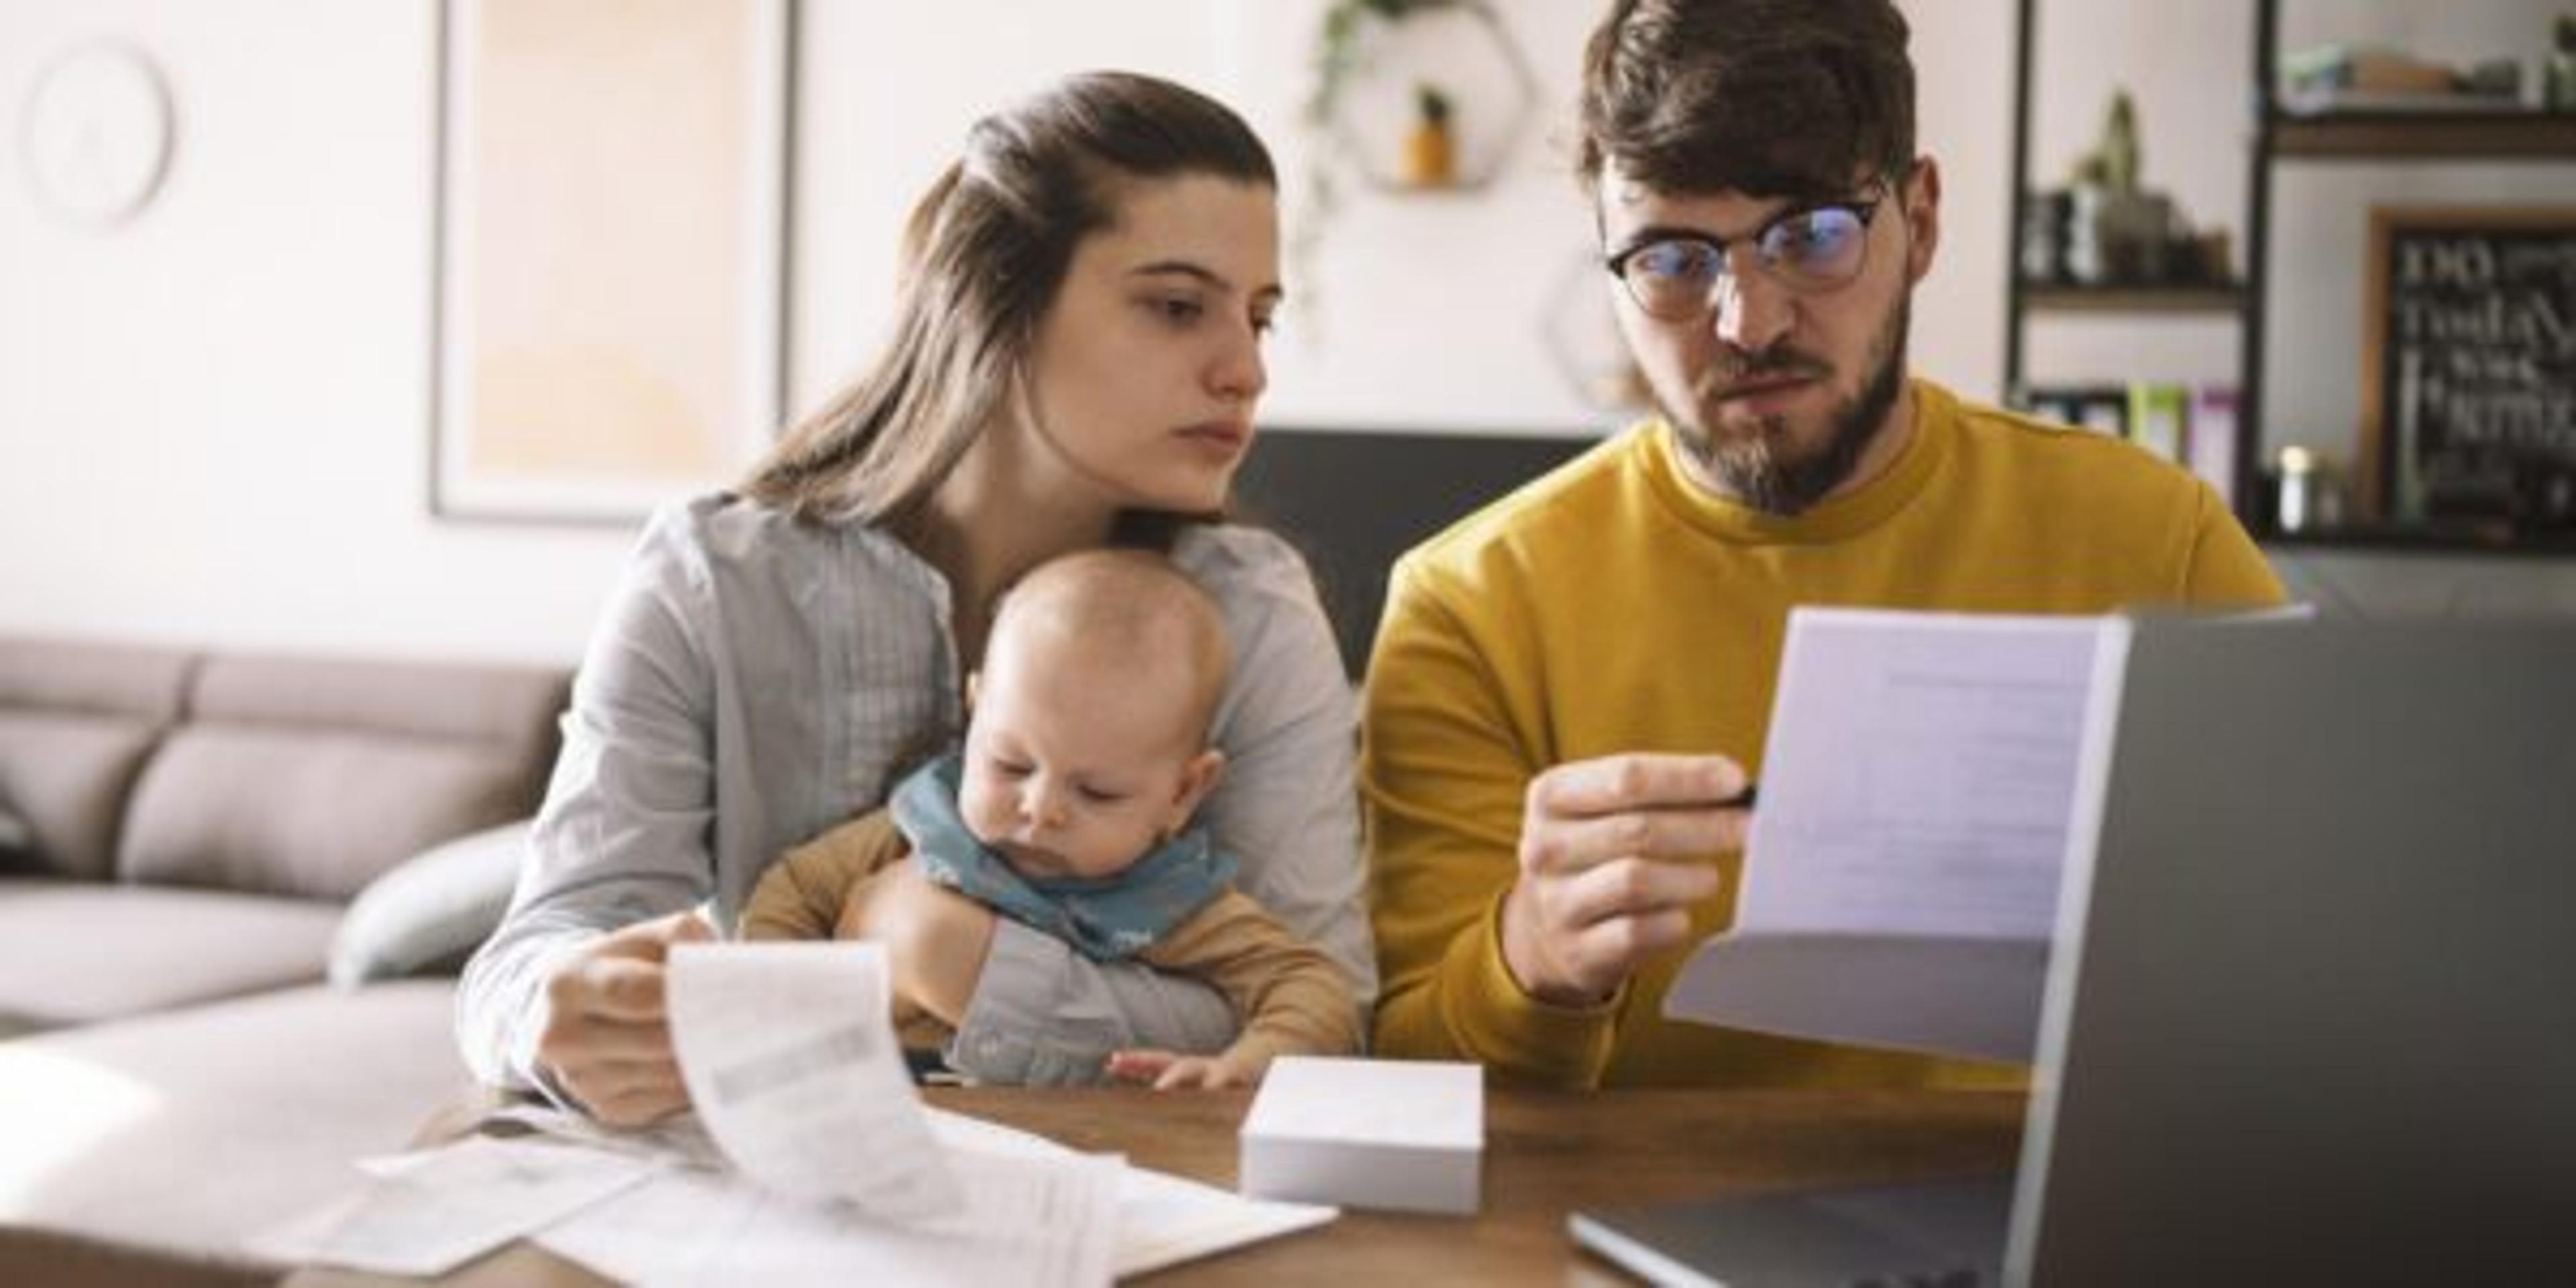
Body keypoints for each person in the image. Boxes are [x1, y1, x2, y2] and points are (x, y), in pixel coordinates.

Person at [1361, 0, 2285, 1091]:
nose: (1748, 321)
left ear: (1922, 220)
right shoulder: (1468, 606)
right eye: (1671, 259)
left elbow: (2326, 953)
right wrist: (1534, 960)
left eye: (1809, 238)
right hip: (1624, 1242)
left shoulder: (2155, 541)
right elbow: (1408, 1089)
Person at [458, 72, 1375, 1125]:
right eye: (1176, 308)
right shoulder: (712, 581)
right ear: (996, 304)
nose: (1246, 371)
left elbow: (1326, 1007)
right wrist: (555, 1015)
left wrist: (955, 960)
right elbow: (530, 956)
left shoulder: (1251, 614)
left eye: (1258, 319)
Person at [739, 549, 1360, 1089]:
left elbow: (1315, 988)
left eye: (1098, 792)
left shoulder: (1171, 900)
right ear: (976, 712)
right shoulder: (922, 826)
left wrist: (1249, 1063)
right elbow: (791, 892)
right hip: (880, 1113)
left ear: (1184, 792)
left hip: (1075, 1138)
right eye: (1010, 765)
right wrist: (775, 1020)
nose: (1040, 810)